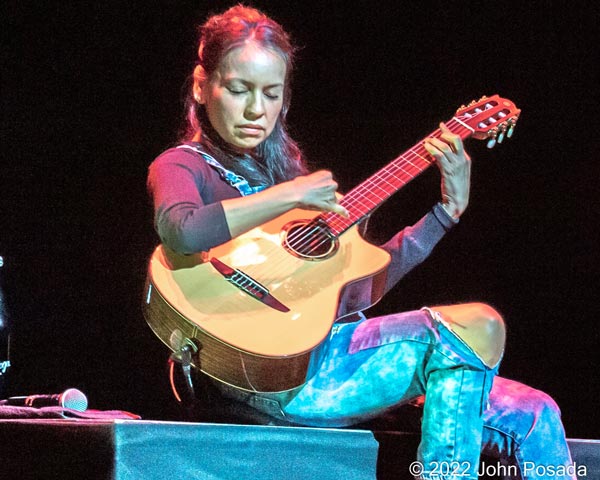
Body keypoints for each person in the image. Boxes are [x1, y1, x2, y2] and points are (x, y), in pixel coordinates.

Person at [147, 6, 575, 479]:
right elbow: (181, 230)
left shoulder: (296, 184)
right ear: (201, 84)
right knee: (474, 324)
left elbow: (358, 289)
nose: (256, 110)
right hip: (261, 378)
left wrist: (445, 213)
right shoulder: (183, 165)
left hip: (329, 362)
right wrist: (288, 194)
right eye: (238, 89)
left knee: (536, 414)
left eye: (271, 94)